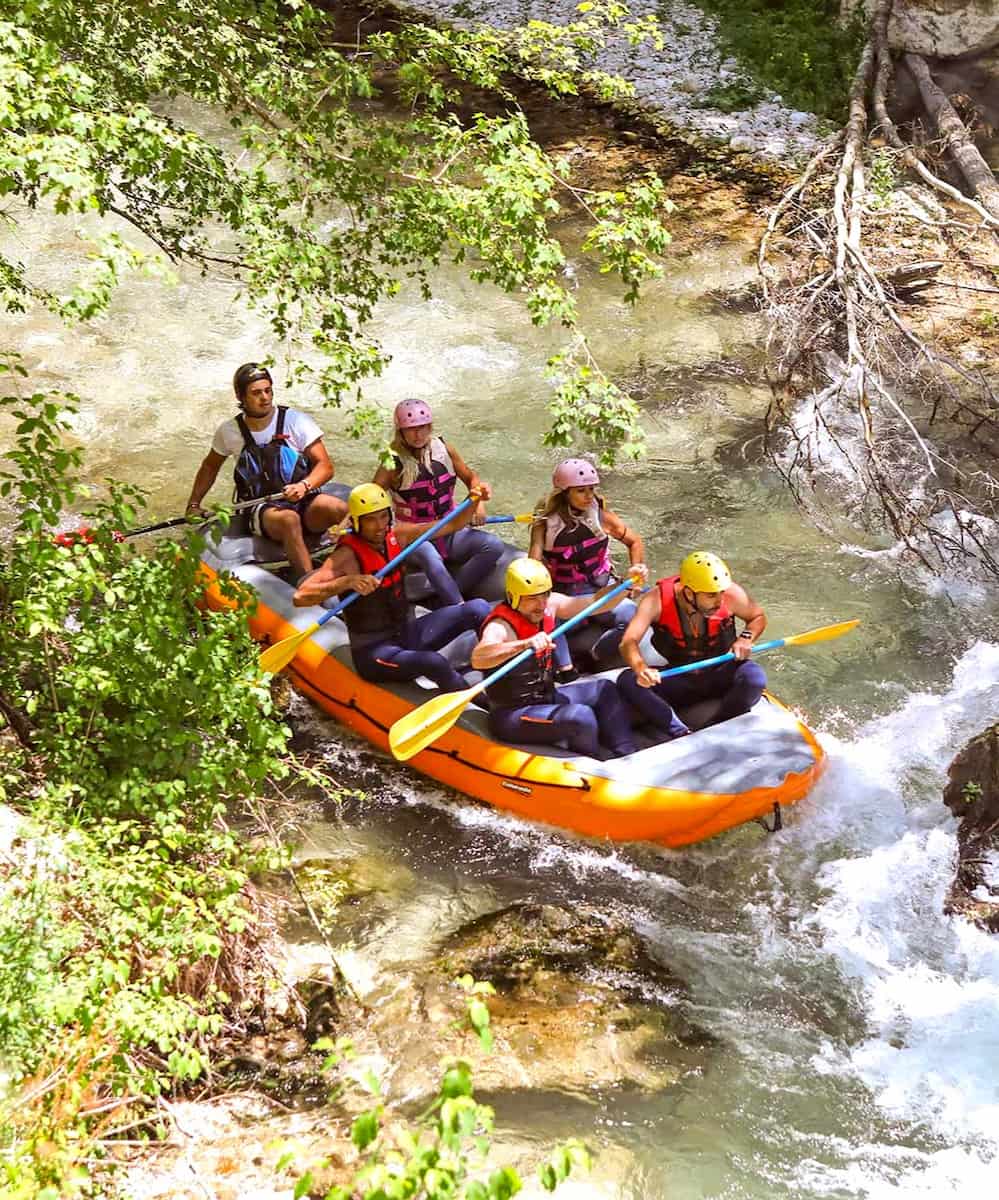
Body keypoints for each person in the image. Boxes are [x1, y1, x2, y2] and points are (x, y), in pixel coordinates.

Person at [293, 483, 490, 693]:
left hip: (406, 634)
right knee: (435, 662)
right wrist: (347, 582)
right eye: (370, 519)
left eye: (383, 516)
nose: (379, 526)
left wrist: (473, 500)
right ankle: (473, 702)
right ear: (356, 522)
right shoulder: (345, 556)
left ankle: (500, 679)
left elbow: (450, 525)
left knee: (478, 608)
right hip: (374, 653)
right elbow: (300, 596)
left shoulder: (398, 535)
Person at [186, 363, 348, 578]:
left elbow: (325, 467)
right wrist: (194, 504)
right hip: (262, 508)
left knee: (340, 508)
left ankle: (354, 566)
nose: (265, 397)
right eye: (256, 393)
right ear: (240, 397)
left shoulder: (295, 421)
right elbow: (210, 466)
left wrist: (304, 485)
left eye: (268, 390)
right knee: (289, 520)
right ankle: (310, 584)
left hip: (304, 498)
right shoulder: (229, 431)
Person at [470, 559, 638, 760]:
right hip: (512, 715)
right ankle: (590, 763)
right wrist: (524, 644)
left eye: (545, 595)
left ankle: (626, 753)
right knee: (580, 716)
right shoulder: (500, 626)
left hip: (546, 697)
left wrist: (624, 586)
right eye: (532, 598)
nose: (541, 604)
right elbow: (479, 658)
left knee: (604, 690)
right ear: (512, 597)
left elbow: (595, 603)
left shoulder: (551, 604)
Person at [616, 551, 767, 739]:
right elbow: (628, 641)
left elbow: (757, 617)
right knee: (628, 679)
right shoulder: (656, 601)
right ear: (689, 592)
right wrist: (641, 668)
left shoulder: (731, 594)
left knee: (754, 678)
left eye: (720, 593)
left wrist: (745, 638)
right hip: (680, 675)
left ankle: (718, 723)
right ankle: (680, 732)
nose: (719, 601)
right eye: (711, 596)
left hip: (720, 671)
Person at [373, 399, 503, 605]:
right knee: (429, 556)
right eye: (412, 429)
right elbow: (372, 495)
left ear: (430, 427)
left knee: (493, 546)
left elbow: (471, 478)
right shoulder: (393, 462)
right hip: (415, 534)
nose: (418, 435)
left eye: (423, 428)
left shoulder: (445, 449)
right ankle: (460, 607)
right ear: (401, 431)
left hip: (449, 526)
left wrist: (479, 504)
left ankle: (446, 592)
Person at [529, 457, 647, 678]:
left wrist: (638, 575)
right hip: (566, 596)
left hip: (604, 587)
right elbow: (533, 564)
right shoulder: (545, 523)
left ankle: (596, 653)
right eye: (581, 491)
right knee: (546, 614)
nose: (589, 496)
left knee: (633, 614)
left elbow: (635, 541)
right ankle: (566, 669)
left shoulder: (600, 516)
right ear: (565, 492)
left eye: (591, 489)